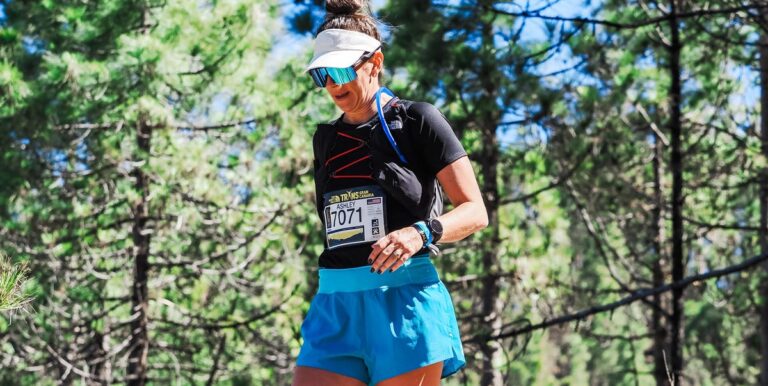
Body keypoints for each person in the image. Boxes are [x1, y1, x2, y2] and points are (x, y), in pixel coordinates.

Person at [293, 1, 488, 385]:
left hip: (404, 301)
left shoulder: (419, 120)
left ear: (375, 61)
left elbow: (475, 211)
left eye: (340, 70)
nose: (332, 85)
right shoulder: (326, 141)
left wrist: (421, 232)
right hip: (336, 303)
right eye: (322, 75)